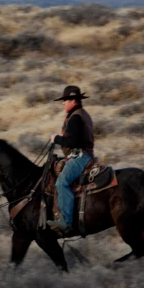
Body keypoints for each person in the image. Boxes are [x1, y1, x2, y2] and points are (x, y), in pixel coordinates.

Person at [46, 85, 94, 237]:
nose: (63, 103)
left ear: (73, 100)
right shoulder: (80, 114)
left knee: (62, 182)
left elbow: (72, 141)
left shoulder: (75, 117)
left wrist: (56, 139)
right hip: (82, 155)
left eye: (65, 100)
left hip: (80, 157)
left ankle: (66, 222)